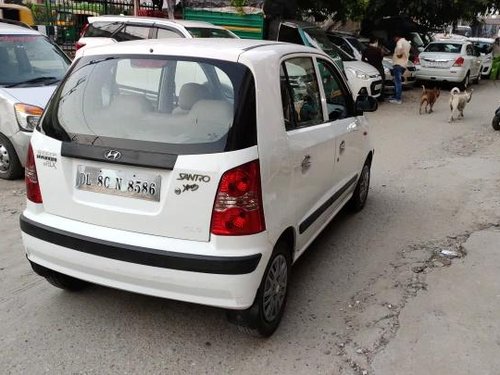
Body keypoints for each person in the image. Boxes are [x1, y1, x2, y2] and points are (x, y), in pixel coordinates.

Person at [389, 34, 411, 104]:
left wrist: (399, 54)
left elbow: (399, 48)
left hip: (398, 64)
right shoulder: (407, 43)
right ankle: (395, 96)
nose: (394, 40)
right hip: (404, 64)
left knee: (397, 82)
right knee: (397, 81)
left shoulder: (399, 42)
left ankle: (398, 99)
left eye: (394, 38)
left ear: (397, 37)